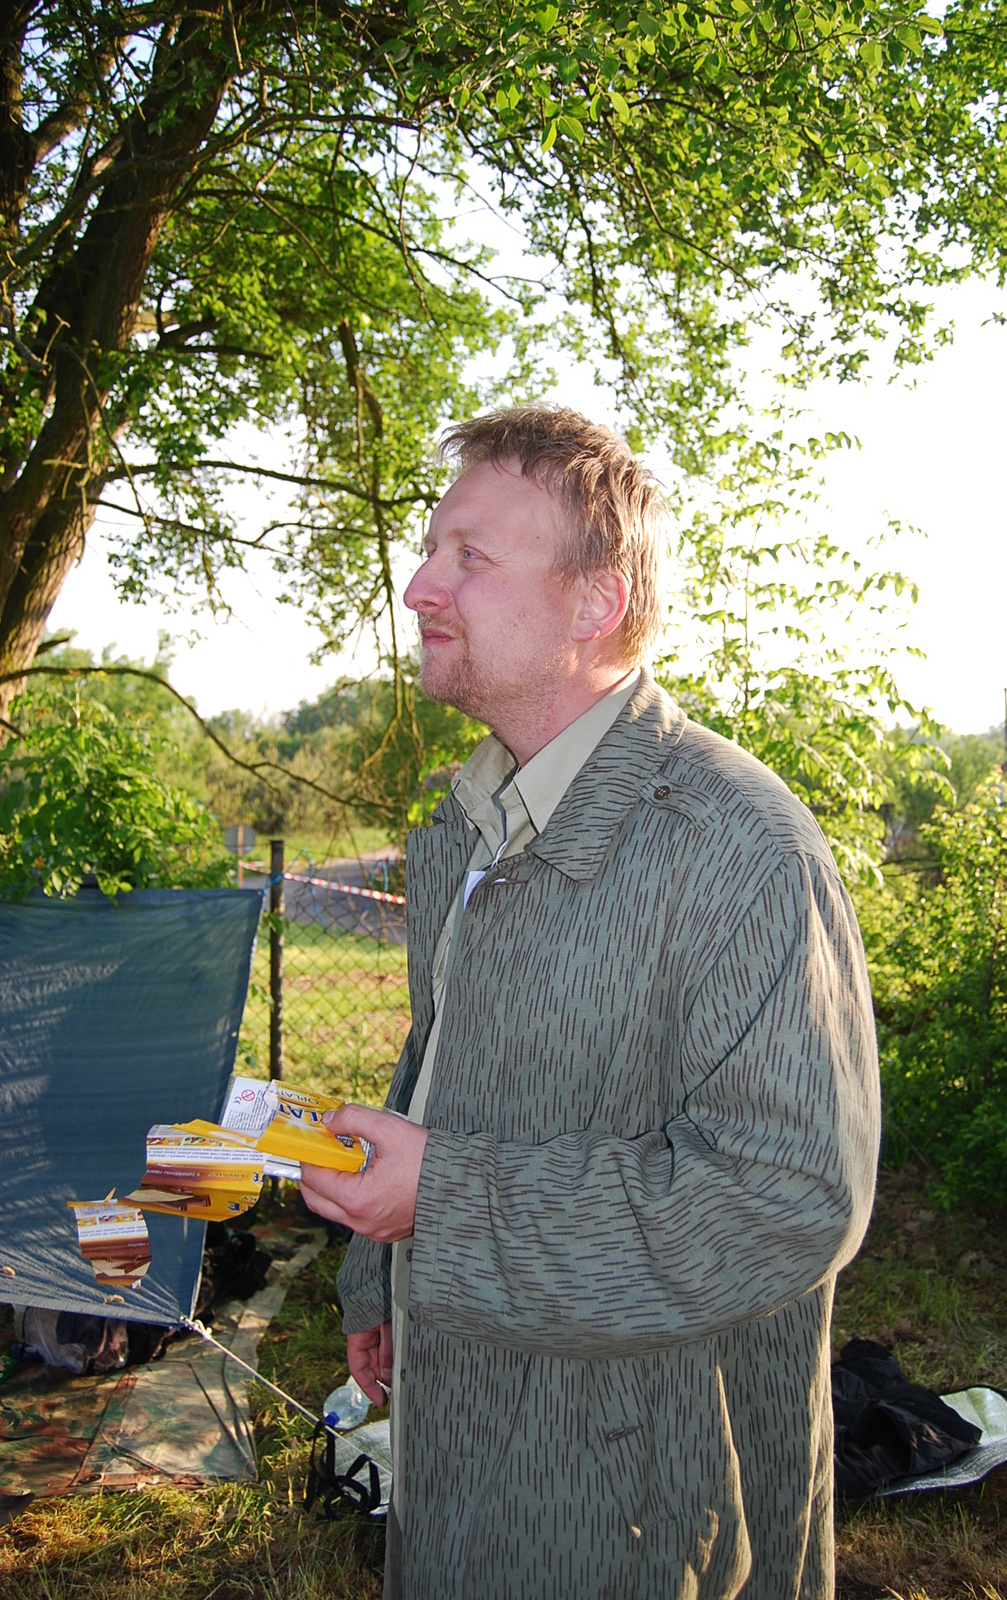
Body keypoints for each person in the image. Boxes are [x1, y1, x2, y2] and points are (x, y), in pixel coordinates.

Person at [300, 406, 880, 1600]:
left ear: (595, 603)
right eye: (431, 548)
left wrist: (444, 1203)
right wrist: (383, 1274)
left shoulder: (738, 846)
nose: (419, 586)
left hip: (648, 1516)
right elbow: (440, 1067)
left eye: (470, 555)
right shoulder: (472, 821)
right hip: (462, 1443)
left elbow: (788, 1200)